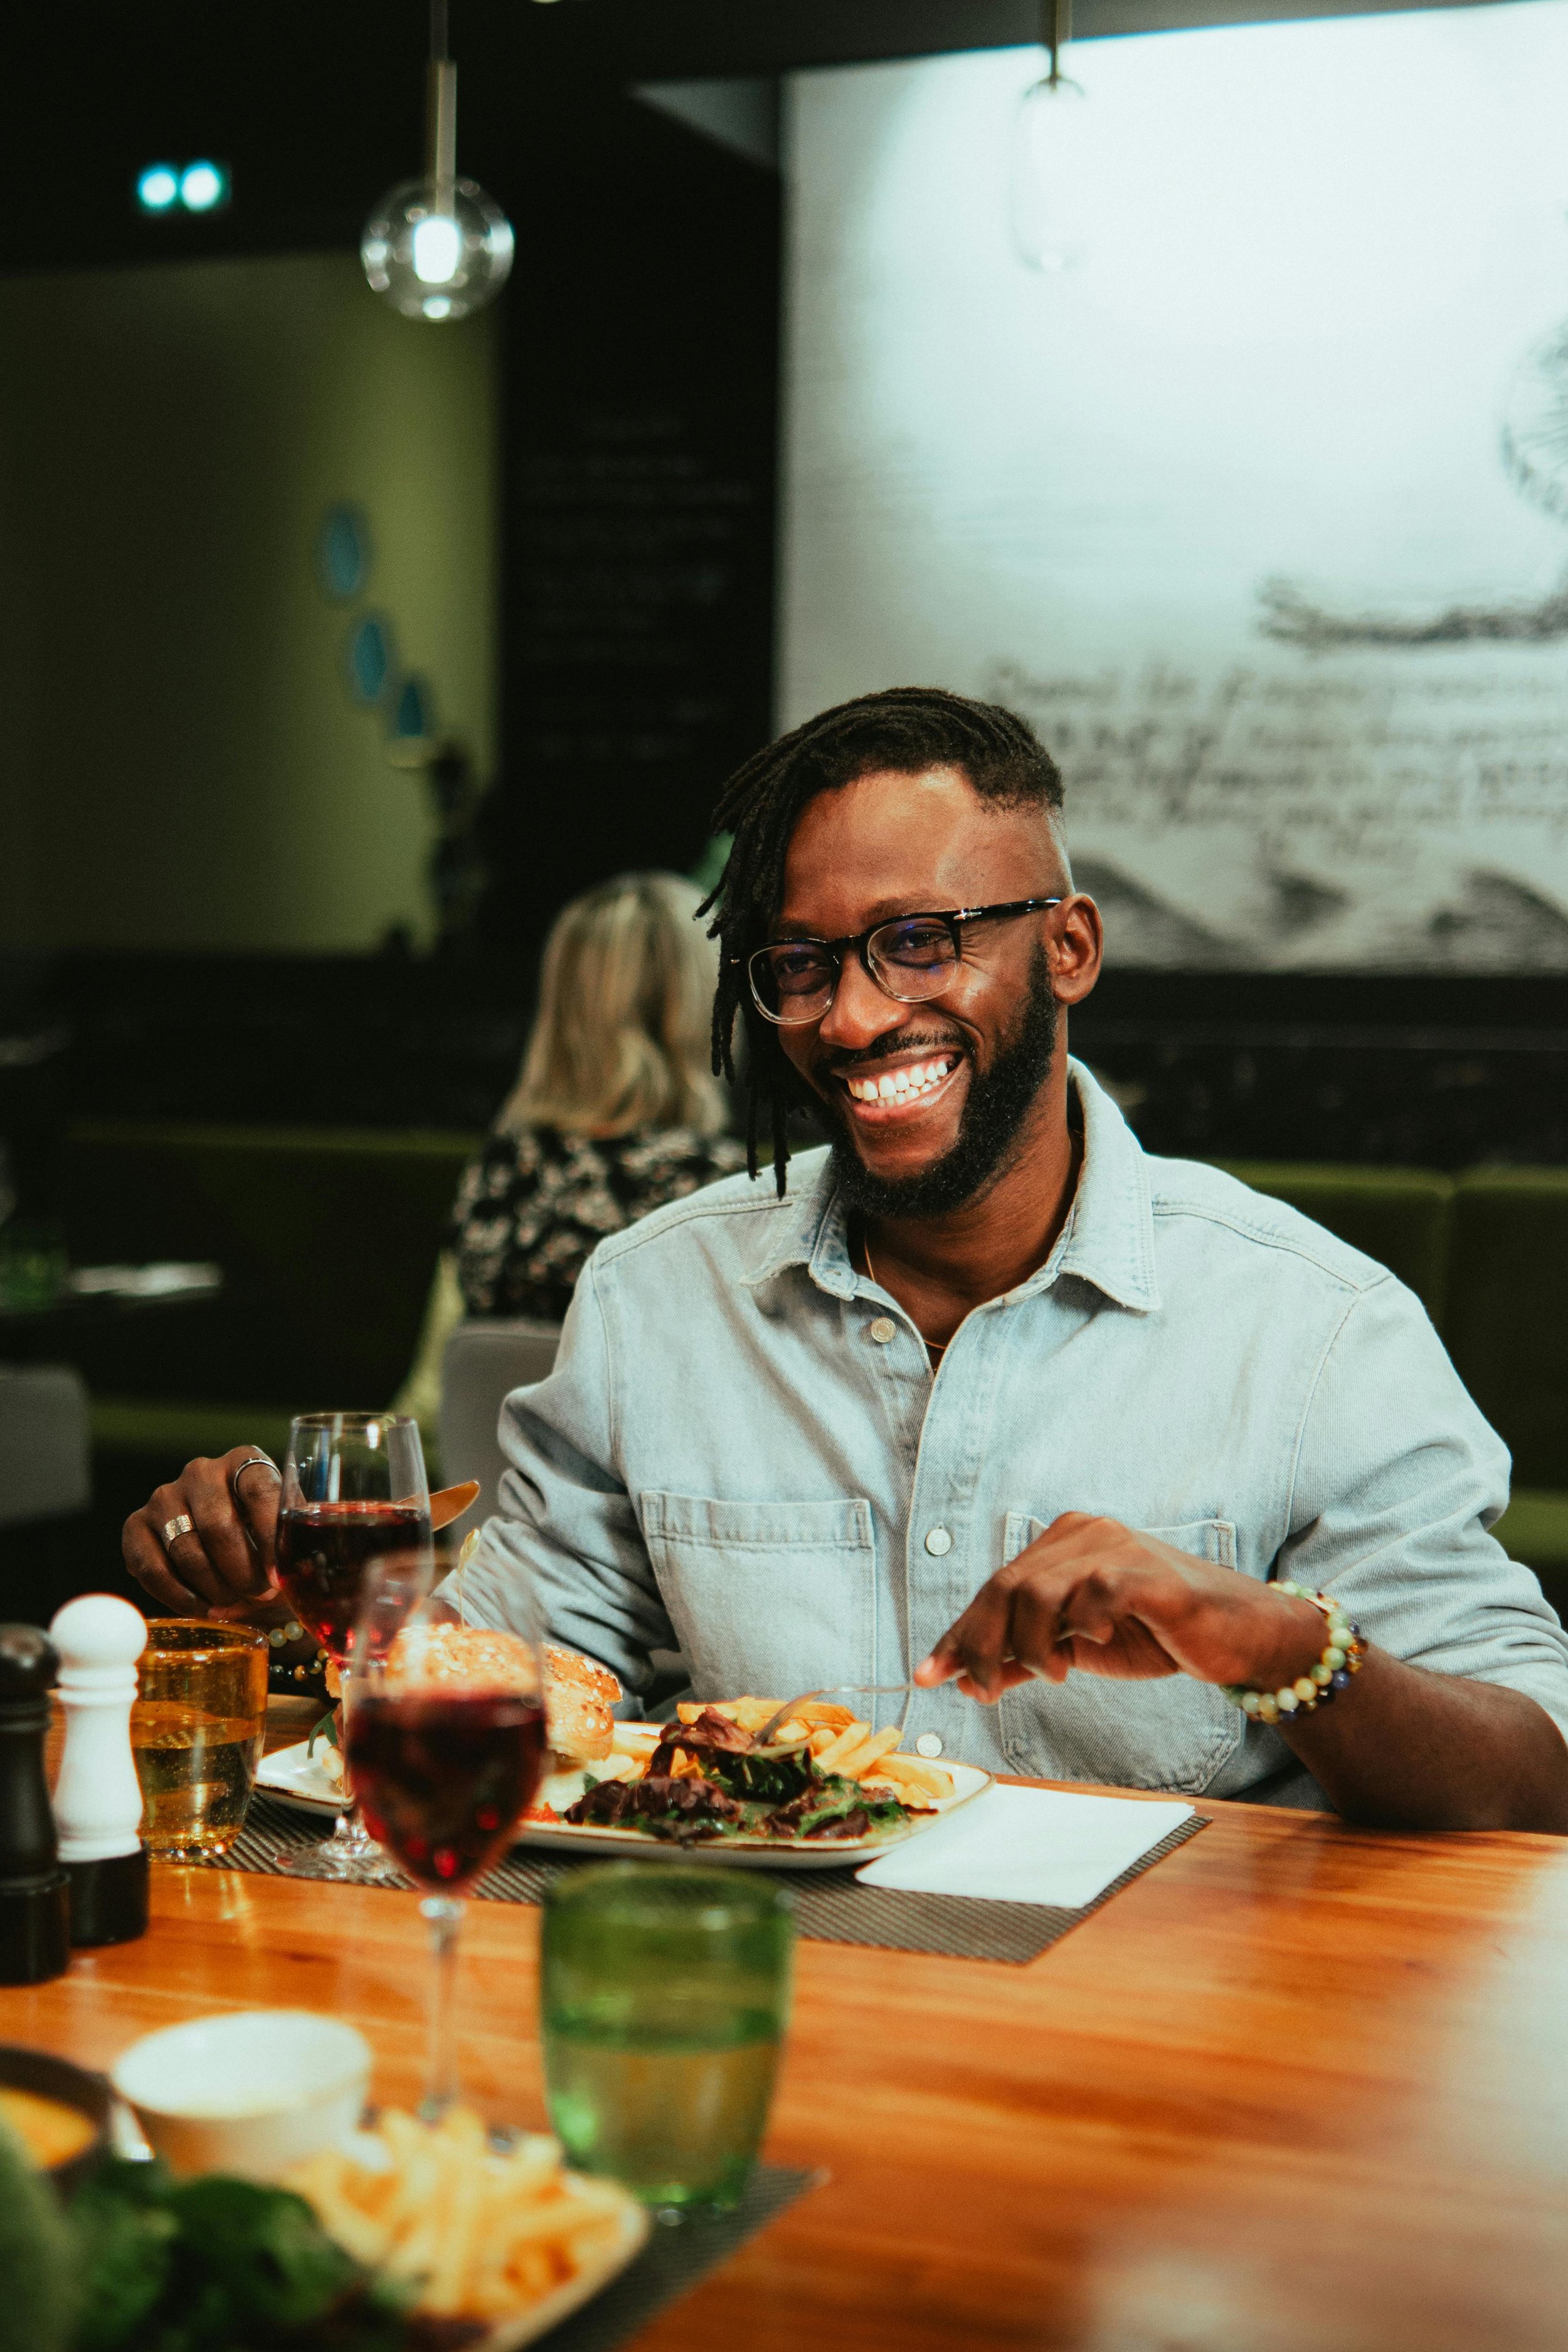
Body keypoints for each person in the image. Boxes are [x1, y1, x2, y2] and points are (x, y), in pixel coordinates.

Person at [123, 688, 1568, 1830]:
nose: (854, 1015)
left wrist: (1272, 1642)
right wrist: (287, 1619)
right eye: (802, 962)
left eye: (921, 941)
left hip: (1178, 2064)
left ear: (1067, 948)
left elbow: (1531, 1773)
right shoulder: (657, 1299)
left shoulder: (1311, 1330)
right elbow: (500, 1668)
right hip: (761, 2007)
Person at [391, 870, 746, 1432]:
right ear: (700, 1008)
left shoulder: (501, 1172)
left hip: (488, 1509)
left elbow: (430, 1398)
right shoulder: (725, 1190)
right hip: (642, 1515)